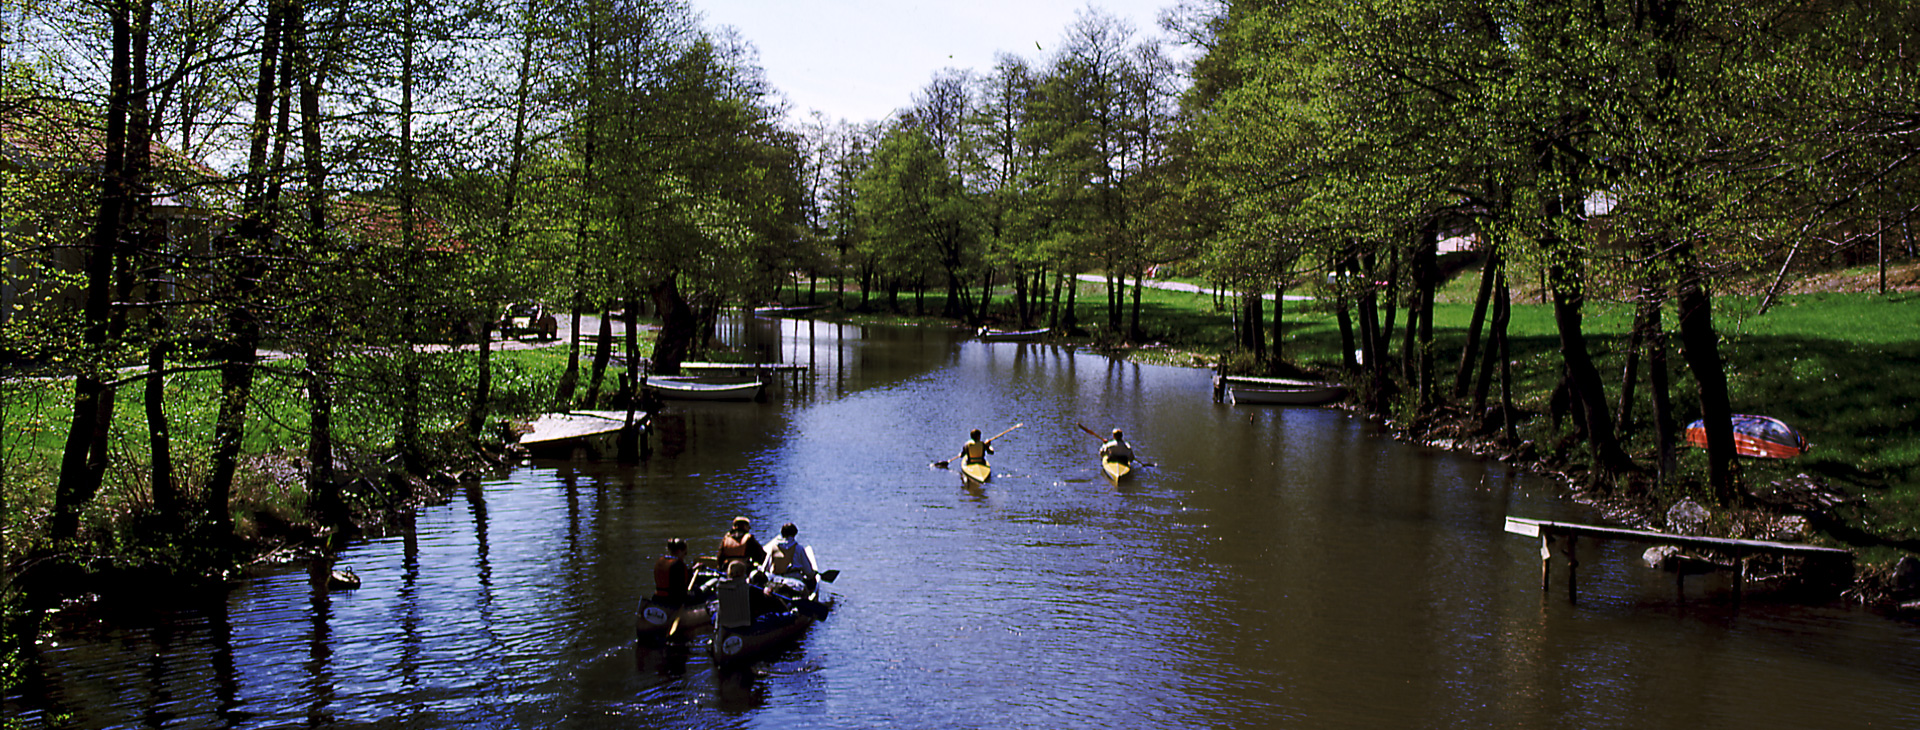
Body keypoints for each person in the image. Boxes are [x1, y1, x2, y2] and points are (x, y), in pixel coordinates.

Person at [652, 537, 694, 606]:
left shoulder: (660, 561)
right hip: (672, 600)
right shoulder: (678, 564)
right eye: (685, 553)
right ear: (679, 551)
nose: (684, 556)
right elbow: (682, 587)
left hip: (657, 598)